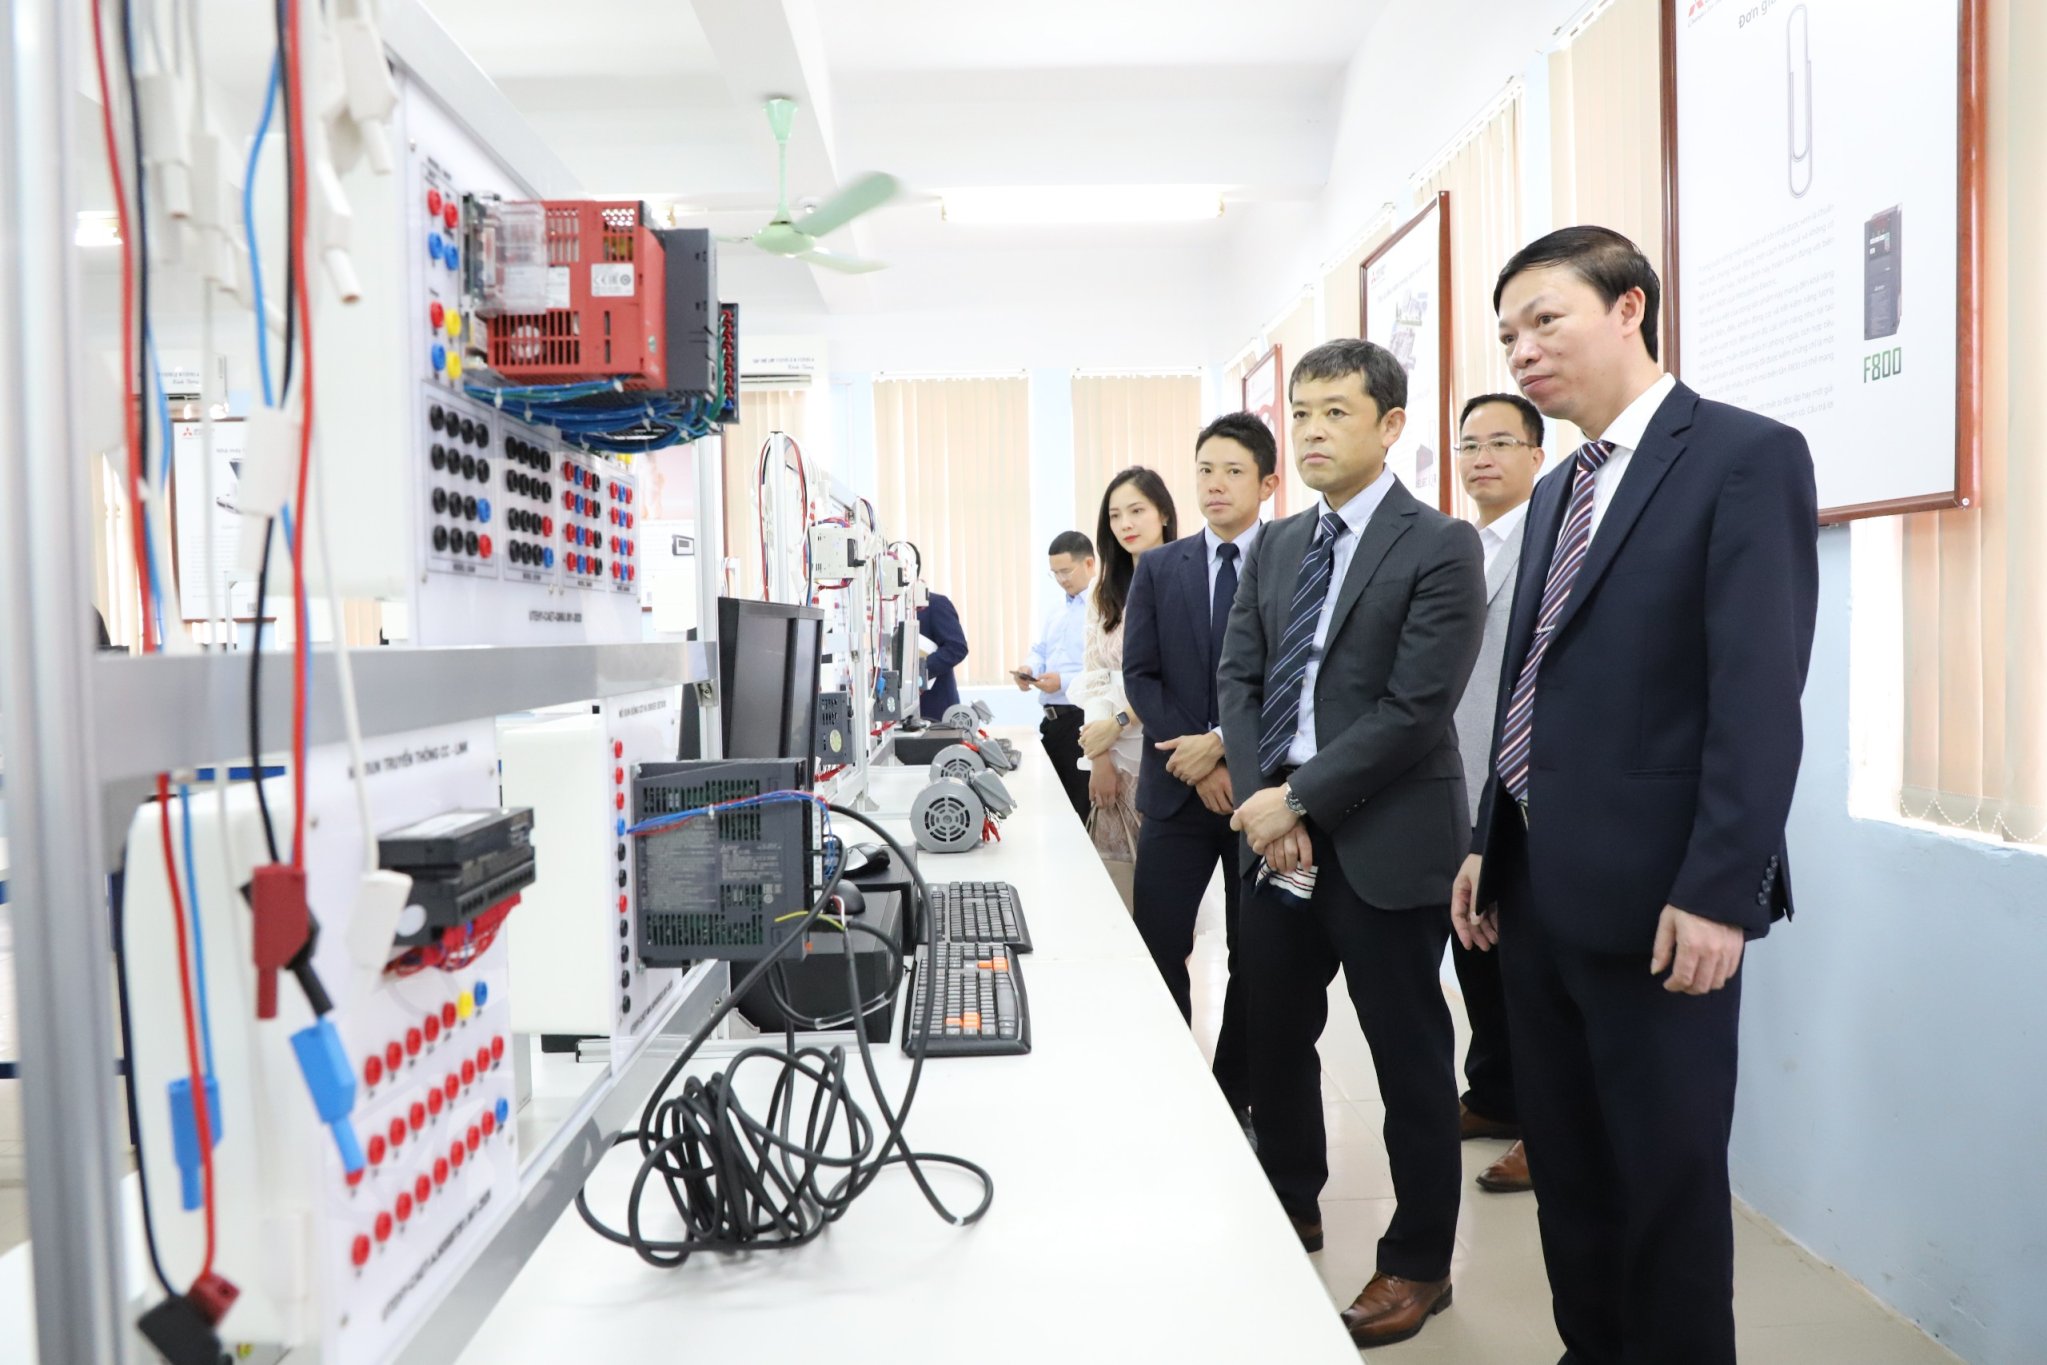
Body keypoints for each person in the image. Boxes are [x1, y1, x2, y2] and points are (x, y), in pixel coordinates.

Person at [1453, 226, 1819, 1365]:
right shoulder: (1559, 486)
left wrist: (1718, 891)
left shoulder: (1743, 456)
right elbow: (1530, 680)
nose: (1521, 350)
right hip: (1535, 890)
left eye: (1543, 320)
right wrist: (1488, 841)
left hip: (1664, 901)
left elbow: (1757, 696)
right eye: (1507, 335)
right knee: (1570, 1172)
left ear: (1628, 308)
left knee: (1664, 1180)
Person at [1218, 338, 1486, 1349]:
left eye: (1336, 411)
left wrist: (1300, 802)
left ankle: (1418, 1263)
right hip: (1276, 837)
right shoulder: (1276, 544)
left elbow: (1416, 708)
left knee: (1407, 1059)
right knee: (1273, 1036)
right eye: (1301, 412)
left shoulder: (1439, 544)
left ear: (1390, 425)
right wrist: (1267, 802)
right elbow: (1241, 680)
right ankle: (1290, 1201)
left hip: (1386, 837)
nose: (1313, 430)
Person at [1122, 414, 1278, 1136]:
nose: (1215, 484)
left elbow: (1293, 677)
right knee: (1159, 942)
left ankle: (1232, 1094)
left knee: (1257, 955)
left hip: (1262, 796)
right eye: (1204, 470)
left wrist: (1222, 748)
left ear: (1266, 483)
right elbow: (1140, 674)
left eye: (1232, 471)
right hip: (1175, 792)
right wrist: (1195, 757)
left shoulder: (1291, 559)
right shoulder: (1160, 567)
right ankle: (1170, 1084)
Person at [1448, 392, 1548, 1196]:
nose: (1480, 458)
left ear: (1536, 456)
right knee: (1471, 945)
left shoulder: (1552, 541)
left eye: (1500, 443)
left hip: (1520, 783)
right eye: (1468, 444)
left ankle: (1545, 1131)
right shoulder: (1458, 547)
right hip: (1452, 778)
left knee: (1525, 962)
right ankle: (1493, 1093)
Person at [1069, 467, 1176, 912]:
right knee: (1118, 890)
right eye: (1115, 515)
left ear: (1163, 514)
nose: (1126, 524)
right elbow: (1095, 675)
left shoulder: (1182, 580)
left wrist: (1118, 724)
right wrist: (1099, 757)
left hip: (1162, 744)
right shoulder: (1104, 592)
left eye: (1137, 511)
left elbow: (1175, 677)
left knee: (1167, 891)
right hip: (1112, 752)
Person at [1014, 531, 1096, 822]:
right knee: (1055, 811)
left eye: (1066, 571)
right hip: (1052, 723)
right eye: (1055, 573)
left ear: (1089, 564)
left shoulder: (1103, 608)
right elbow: (1040, 650)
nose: (1061, 579)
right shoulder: (1058, 610)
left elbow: (1106, 671)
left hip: (1082, 720)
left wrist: (1063, 681)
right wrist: (1029, 669)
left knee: (1080, 810)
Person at [915, 590, 969, 723]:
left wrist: (918, 673)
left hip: (935, 709)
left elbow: (956, 647)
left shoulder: (934, 604)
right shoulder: (882, 610)